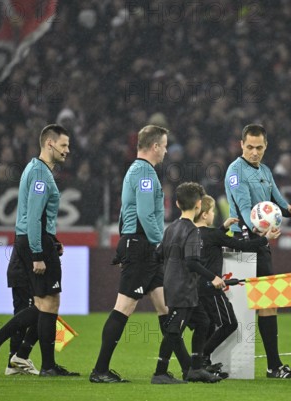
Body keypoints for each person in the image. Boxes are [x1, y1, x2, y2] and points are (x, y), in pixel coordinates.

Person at [0, 124, 79, 377]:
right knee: (48, 302)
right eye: (64, 145)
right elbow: (34, 216)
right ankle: (1, 343)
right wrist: (37, 252)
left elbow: (37, 216)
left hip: (39, 240)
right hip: (35, 242)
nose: (68, 150)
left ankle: (31, 359)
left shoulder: (39, 171)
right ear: (49, 144)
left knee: (46, 303)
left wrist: (52, 241)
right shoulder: (39, 174)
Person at [91, 125, 187, 383]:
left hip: (141, 245)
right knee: (124, 307)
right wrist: (161, 243)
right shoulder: (144, 172)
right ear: (155, 146)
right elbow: (145, 215)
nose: (166, 150)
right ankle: (100, 370)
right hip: (143, 245)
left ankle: (180, 370)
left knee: (165, 307)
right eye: (164, 145)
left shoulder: (138, 171)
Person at [224, 123, 291, 379]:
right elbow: (247, 212)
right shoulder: (235, 172)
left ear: (266, 146)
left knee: (268, 304)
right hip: (243, 245)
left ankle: (273, 365)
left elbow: (278, 204)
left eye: (259, 147)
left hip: (260, 244)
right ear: (241, 145)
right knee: (259, 305)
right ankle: (271, 366)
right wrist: (262, 234)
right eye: (249, 147)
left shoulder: (266, 171)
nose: (254, 152)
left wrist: (290, 210)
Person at [193, 195, 280, 370]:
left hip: (193, 288)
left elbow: (208, 242)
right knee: (229, 324)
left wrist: (223, 227)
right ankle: (200, 358)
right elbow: (243, 247)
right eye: (211, 212)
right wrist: (265, 239)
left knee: (205, 324)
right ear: (204, 215)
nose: (213, 214)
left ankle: (199, 362)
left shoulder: (191, 234)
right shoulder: (214, 235)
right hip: (211, 288)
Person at [151, 182, 225, 384]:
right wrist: (213, 277)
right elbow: (192, 262)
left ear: (177, 203)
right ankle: (160, 372)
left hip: (178, 287)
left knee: (203, 322)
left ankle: (195, 368)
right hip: (183, 289)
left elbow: (158, 255)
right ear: (199, 205)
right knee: (174, 330)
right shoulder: (192, 231)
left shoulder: (171, 228)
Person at [4, 247, 39, 375]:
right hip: (24, 274)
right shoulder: (31, 230)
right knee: (31, 316)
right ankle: (18, 358)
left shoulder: (24, 231)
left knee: (28, 316)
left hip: (21, 272)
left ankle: (15, 361)